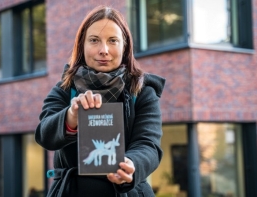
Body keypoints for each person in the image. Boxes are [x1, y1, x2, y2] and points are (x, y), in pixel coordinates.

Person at [35, 5, 165, 197]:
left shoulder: (143, 92)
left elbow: (148, 145)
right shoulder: (65, 88)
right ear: (82, 45)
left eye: (113, 41)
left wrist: (131, 166)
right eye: (94, 40)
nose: (103, 50)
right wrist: (70, 117)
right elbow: (44, 134)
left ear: (125, 46)